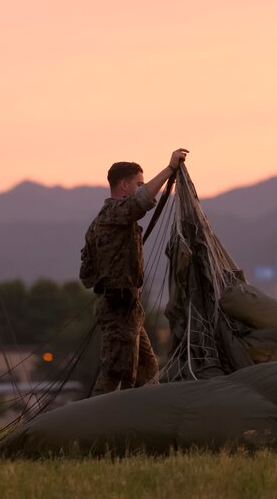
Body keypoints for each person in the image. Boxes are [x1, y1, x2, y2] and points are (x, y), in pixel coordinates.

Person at [80, 148, 188, 395]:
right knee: (116, 373)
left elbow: (86, 275)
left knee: (147, 369)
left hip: (126, 307)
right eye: (139, 183)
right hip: (119, 307)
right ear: (124, 185)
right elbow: (142, 201)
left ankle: (147, 425)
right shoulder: (114, 215)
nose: (143, 187)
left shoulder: (100, 223)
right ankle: (97, 426)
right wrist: (170, 169)